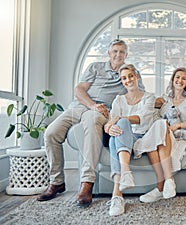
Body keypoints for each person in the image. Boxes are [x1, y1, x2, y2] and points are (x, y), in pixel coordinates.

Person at [37, 39, 144, 207]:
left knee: (92, 122)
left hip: (103, 112)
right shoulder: (95, 67)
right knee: (51, 133)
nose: (118, 54)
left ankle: (87, 183)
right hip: (81, 106)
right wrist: (91, 105)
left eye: (122, 52)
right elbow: (79, 90)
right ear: (109, 53)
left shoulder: (130, 72)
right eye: (115, 51)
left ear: (126, 55)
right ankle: (56, 181)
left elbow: (140, 93)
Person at [104, 64, 175, 216]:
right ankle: (121, 184)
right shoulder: (119, 100)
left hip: (144, 136)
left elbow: (141, 119)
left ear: (136, 76)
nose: (128, 80)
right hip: (125, 137)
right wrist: (109, 127)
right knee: (115, 135)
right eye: (124, 78)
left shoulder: (149, 97)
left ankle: (118, 192)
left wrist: (117, 120)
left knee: (122, 123)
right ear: (121, 81)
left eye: (130, 76)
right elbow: (112, 121)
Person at [140, 67, 186, 203]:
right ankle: (167, 182)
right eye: (177, 77)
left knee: (159, 130)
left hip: (180, 136)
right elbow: (143, 105)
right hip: (164, 136)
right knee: (158, 129)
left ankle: (161, 187)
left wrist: (178, 125)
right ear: (172, 80)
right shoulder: (163, 100)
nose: (180, 80)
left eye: (184, 78)